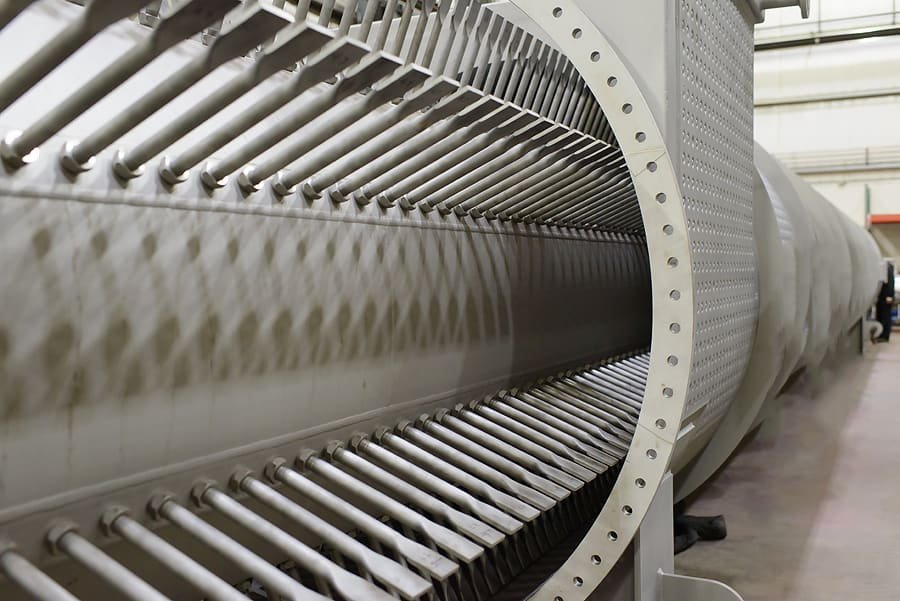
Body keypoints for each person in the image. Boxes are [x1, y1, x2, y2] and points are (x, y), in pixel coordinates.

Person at [876, 261, 895, 342]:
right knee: (881, 316)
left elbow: (890, 284)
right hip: (882, 297)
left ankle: (884, 336)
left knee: (885, 317)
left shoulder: (888, 270)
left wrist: (890, 296)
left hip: (886, 297)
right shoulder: (885, 270)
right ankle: (881, 334)